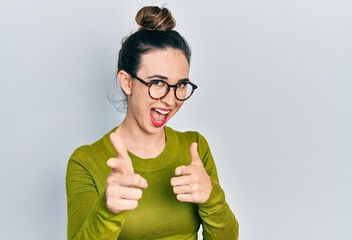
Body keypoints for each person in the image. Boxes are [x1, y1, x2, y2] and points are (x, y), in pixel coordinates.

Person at [66, 6, 239, 240]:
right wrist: (108, 212)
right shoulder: (85, 161)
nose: (170, 99)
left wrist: (211, 197)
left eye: (180, 85)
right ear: (127, 82)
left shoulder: (195, 147)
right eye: (157, 83)